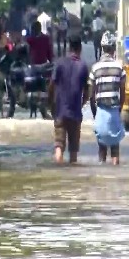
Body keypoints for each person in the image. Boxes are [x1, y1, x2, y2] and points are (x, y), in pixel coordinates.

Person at [48, 34, 89, 164]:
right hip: (75, 114)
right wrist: (80, 105)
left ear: (69, 47)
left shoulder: (59, 63)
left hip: (60, 111)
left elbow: (51, 86)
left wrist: (51, 104)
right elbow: (87, 92)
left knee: (59, 146)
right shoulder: (83, 66)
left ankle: (59, 174)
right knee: (73, 153)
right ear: (80, 48)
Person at [88, 31, 126, 166]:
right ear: (113, 48)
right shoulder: (119, 68)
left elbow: (91, 95)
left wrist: (95, 113)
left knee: (102, 149)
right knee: (115, 150)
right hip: (114, 111)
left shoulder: (95, 68)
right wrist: (119, 110)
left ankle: (102, 178)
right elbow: (123, 94)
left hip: (101, 111)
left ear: (102, 48)